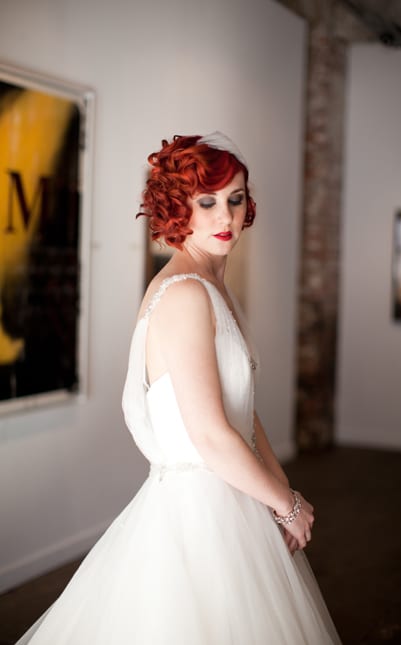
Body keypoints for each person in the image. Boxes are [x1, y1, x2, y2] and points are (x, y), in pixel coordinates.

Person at [15, 132, 341, 644]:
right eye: (206, 202)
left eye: (236, 199)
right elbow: (210, 434)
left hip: (234, 499)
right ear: (177, 207)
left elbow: (242, 413)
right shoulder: (185, 294)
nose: (225, 216)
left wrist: (281, 493)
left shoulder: (214, 289)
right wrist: (288, 505)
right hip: (200, 513)